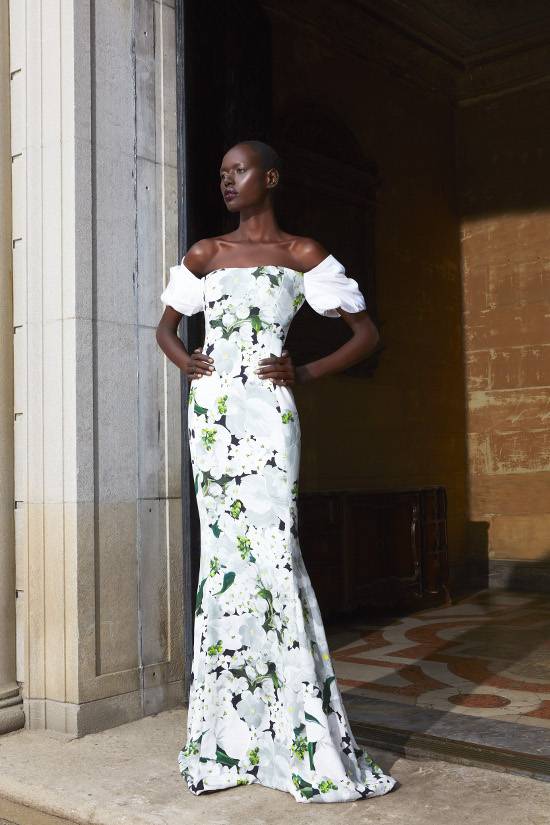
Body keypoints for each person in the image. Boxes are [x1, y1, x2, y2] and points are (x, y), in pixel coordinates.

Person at [156, 140, 398, 803]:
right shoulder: (205, 252)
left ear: (270, 177)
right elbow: (166, 328)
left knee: (273, 556)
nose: (228, 182)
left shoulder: (301, 254)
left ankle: (300, 739)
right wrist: (192, 365)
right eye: (222, 175)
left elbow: (366, 333)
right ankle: (228, 740)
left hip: (269, 415)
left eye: (240, 172)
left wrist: (307, 372)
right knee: (225, 560)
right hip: (213, 418)